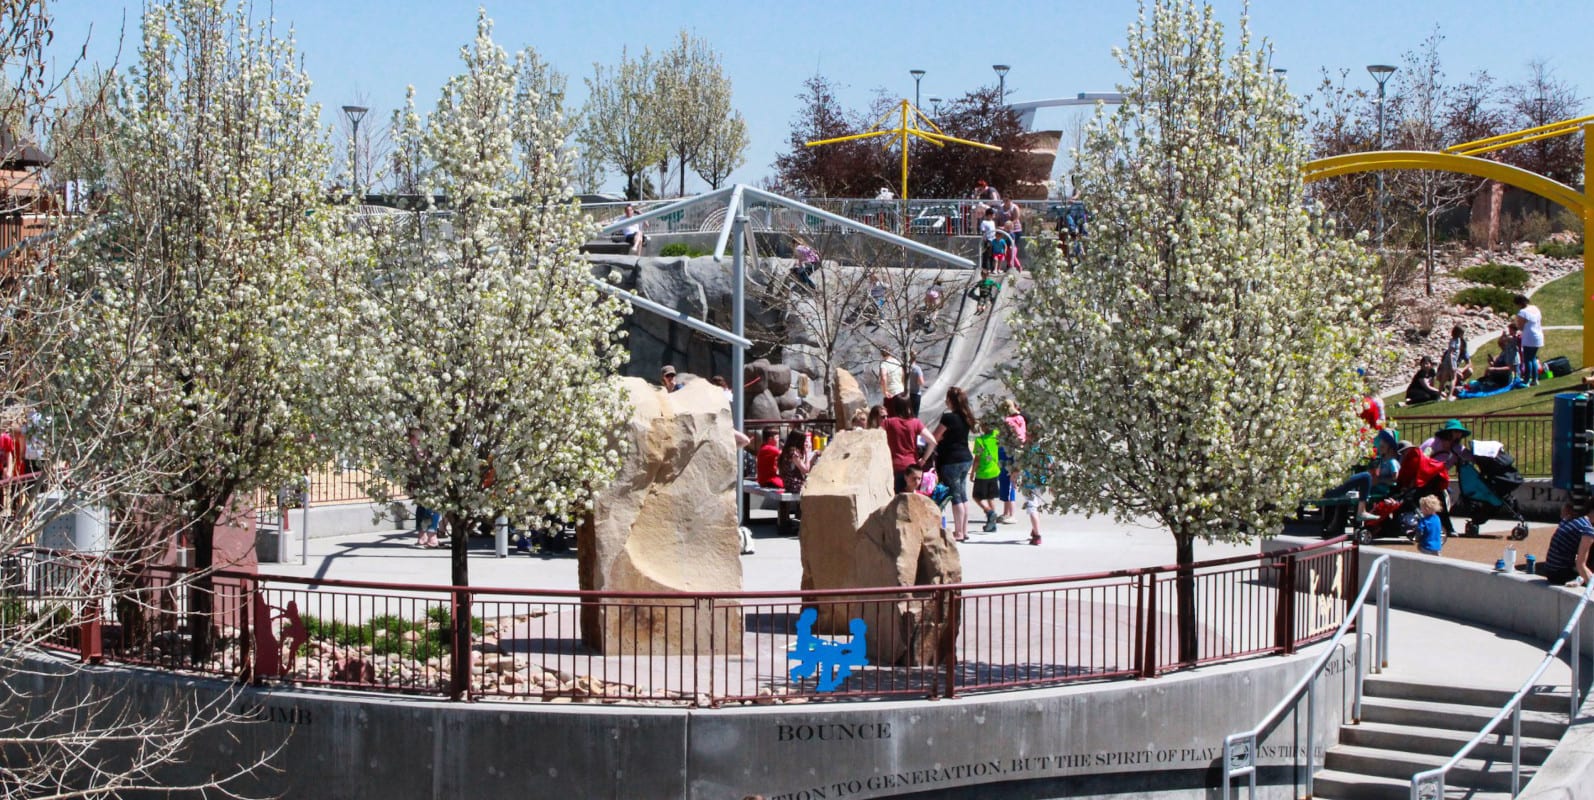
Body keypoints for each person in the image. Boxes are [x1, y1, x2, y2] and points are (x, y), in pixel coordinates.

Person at [928, 387, 977, 542]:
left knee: (955, 497)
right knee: (962, 495)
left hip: (951, 459)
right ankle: (965, 530)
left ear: (950, 400)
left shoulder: (948, 418)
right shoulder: (966, 417)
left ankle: (958, 532)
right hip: (965, 457)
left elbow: (934, 436)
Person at [1324, 429, 1400, 522]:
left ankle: (1360, 516)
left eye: (1384, 442)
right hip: (1375, 487)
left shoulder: (1391, 462)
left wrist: (1380, 480)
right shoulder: (1382, 461)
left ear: (1390, 447)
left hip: (1382, 489)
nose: (1380, 444)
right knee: (1361, 488)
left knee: (1364, 482)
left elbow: (1395, 478)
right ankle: (1357, 517)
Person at [882, 396, 935, 493]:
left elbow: (875, 436)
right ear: (909, 406)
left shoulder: (888, 423)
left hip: (895, 466)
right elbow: (932, 441)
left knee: (897, 500)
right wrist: (923, 460)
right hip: (912, 468)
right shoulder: (916, 423)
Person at [1542, 502, 1594, 586]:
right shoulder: (1588, 530)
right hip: (1560, 575)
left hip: (1549, 570)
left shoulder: (1570, 518)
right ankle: (1578, 579)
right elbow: (1581, 565)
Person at [776, 431, 813, 534]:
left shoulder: (787, 450)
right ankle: (804, 520)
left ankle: (799, 519)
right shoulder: (794, 453)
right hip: (795, 485)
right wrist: (807, 454)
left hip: (789, 483)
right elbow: (805, 470)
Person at [971, 421, 1002, 533]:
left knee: (976, 496)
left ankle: (989, 512)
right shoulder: (996, 436)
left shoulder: (980, 441)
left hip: (983, 473)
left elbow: (977, 459)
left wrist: (972, 472)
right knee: (990, 497)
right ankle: (992, 524)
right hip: (994, 471)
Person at [1515, 294, 1544, 385]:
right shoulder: (1535, 308)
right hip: (1538, 335)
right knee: (1533, 358)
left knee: (1527, 359)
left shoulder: (1522, 312)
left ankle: (1527, 379)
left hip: (1529, 337)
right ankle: (1535, 379)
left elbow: (1520, 326)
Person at [1437, 325, 1471, 400]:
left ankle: (1438, 397)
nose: (1463, 335)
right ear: (1458, 333)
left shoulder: (1458, 340)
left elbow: (1468, 361)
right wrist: (1453, 365)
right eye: (1462, 333)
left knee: (1444, 380)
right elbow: (1451, 354)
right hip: (1450, 362)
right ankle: (1450, 396)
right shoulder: (1454, 341)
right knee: (1453, 378)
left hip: (1449, 362)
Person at [978, 208, 998, 272]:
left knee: (992, 255)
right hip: (988, 240)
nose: (993, 216)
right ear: (989, 215)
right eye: (992, 214)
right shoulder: (984, 222)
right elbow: (983, 231)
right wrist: (985, 239)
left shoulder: (993, 222)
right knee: (986, 254)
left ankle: (992, 268)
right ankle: (985, 268)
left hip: (993, 240)